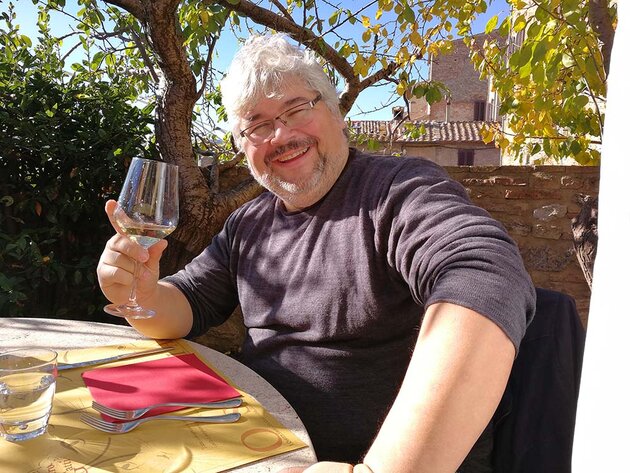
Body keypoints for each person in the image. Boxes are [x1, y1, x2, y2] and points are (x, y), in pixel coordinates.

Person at [97, 34, 536, 473]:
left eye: (297, 109)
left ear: (336, 112)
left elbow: (483, 272)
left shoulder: (397, 193)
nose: (282, 135)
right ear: (243, 146)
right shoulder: (248, 223)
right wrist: (143, 291)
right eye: (258, 124)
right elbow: (187, 304)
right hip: (258, 450)